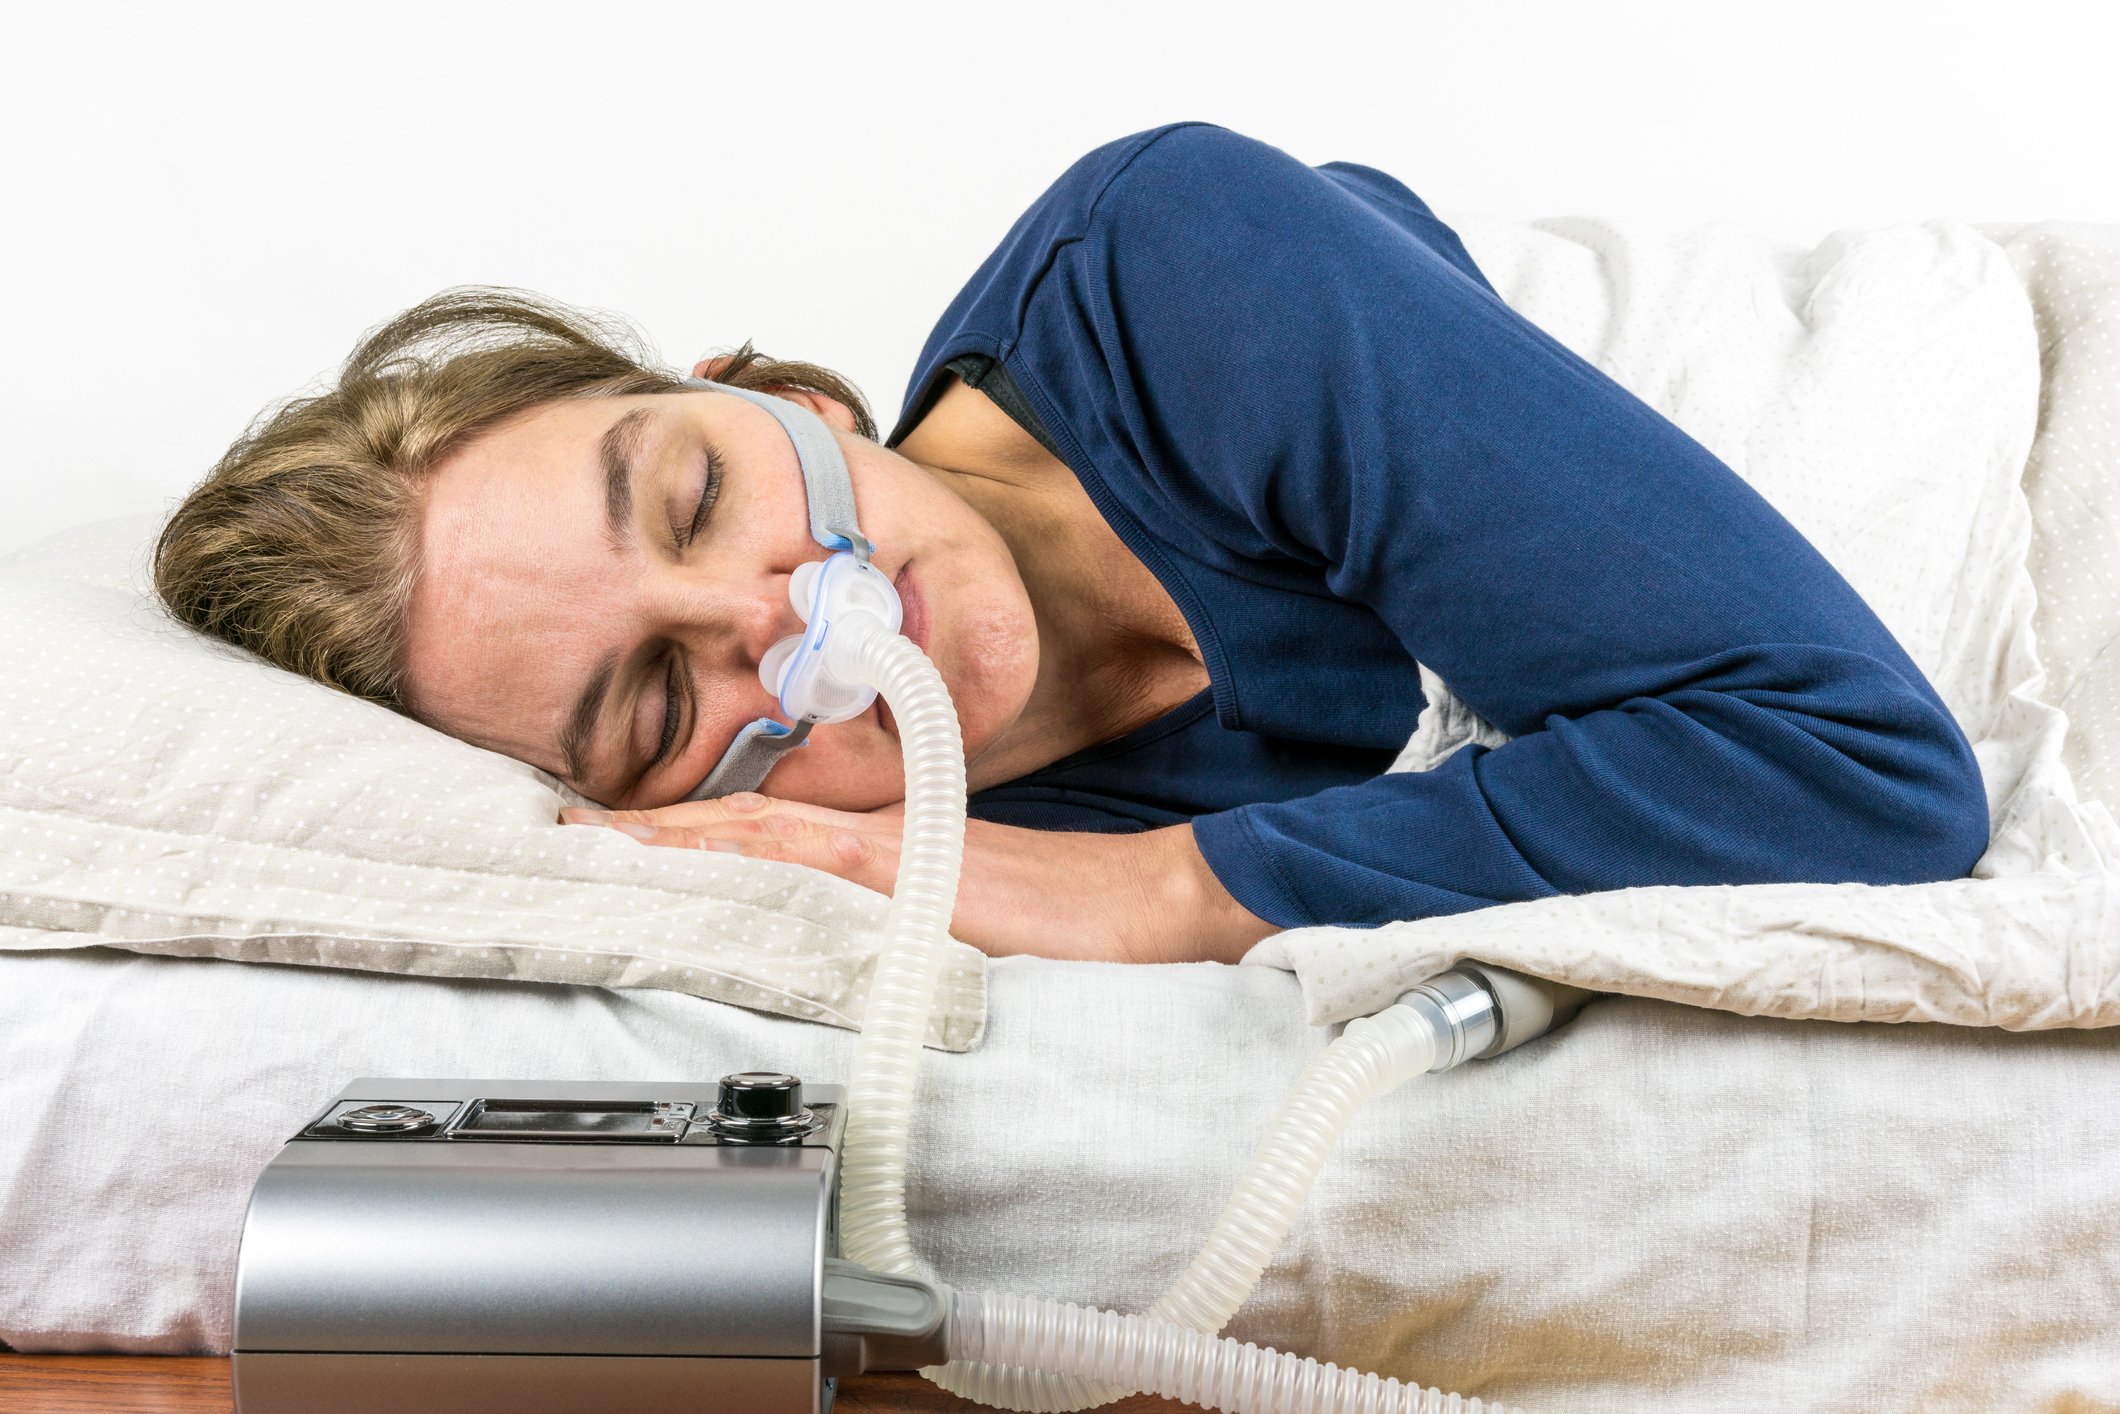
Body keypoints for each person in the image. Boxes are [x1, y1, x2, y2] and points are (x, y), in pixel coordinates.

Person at [152, 121, 1989, 969]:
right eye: (655, 696)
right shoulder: (907, 863)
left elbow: (1866, 775)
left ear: (786, 390)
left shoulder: (1179, 270)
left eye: (700, 491)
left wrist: (1165, 888)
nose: (791, 609)